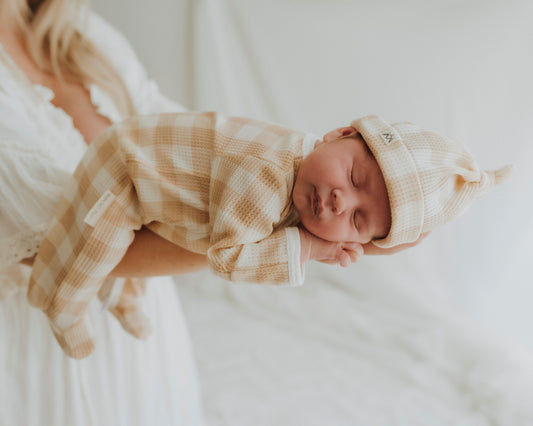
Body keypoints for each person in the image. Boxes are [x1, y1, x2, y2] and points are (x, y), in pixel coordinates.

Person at [28, 111, 511, 359]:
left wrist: (368, 241)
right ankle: (59, 297)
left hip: (166, 197)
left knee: (166, 233)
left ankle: (119, 295)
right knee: (96, 243)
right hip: (125, 173)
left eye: (358, 220)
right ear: (339, 133)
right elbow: (227, 258)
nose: (341, 202)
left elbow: (353, 226)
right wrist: (309, 245)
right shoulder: (265, 177)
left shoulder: (306, 166)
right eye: (355, 179)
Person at [0, 0, 208, 424]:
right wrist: (277, 233)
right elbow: (62, 234)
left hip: (147, 340)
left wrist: (295, 172)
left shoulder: (80, 29)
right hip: (38, 357)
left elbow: (188, 141)